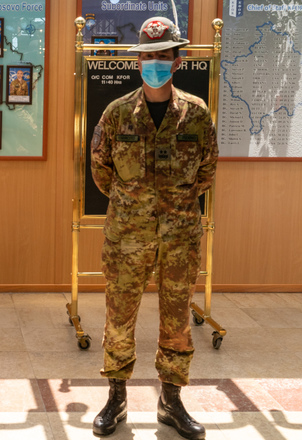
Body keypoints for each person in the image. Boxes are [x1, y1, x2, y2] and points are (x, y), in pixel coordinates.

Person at [90, 17, 217, 440]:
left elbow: (206, 171)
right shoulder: (117, 113)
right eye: (148, 57)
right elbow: (101, 171)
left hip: (179, 237)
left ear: (176, 61)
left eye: (163, 56)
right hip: (127, 236)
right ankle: (116, 396)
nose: (155, 63)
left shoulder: (196, 115)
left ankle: (171, 400)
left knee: (177, 318)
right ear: (138, 61)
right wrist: (137, 207)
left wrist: (172, 206)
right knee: (119, 317)